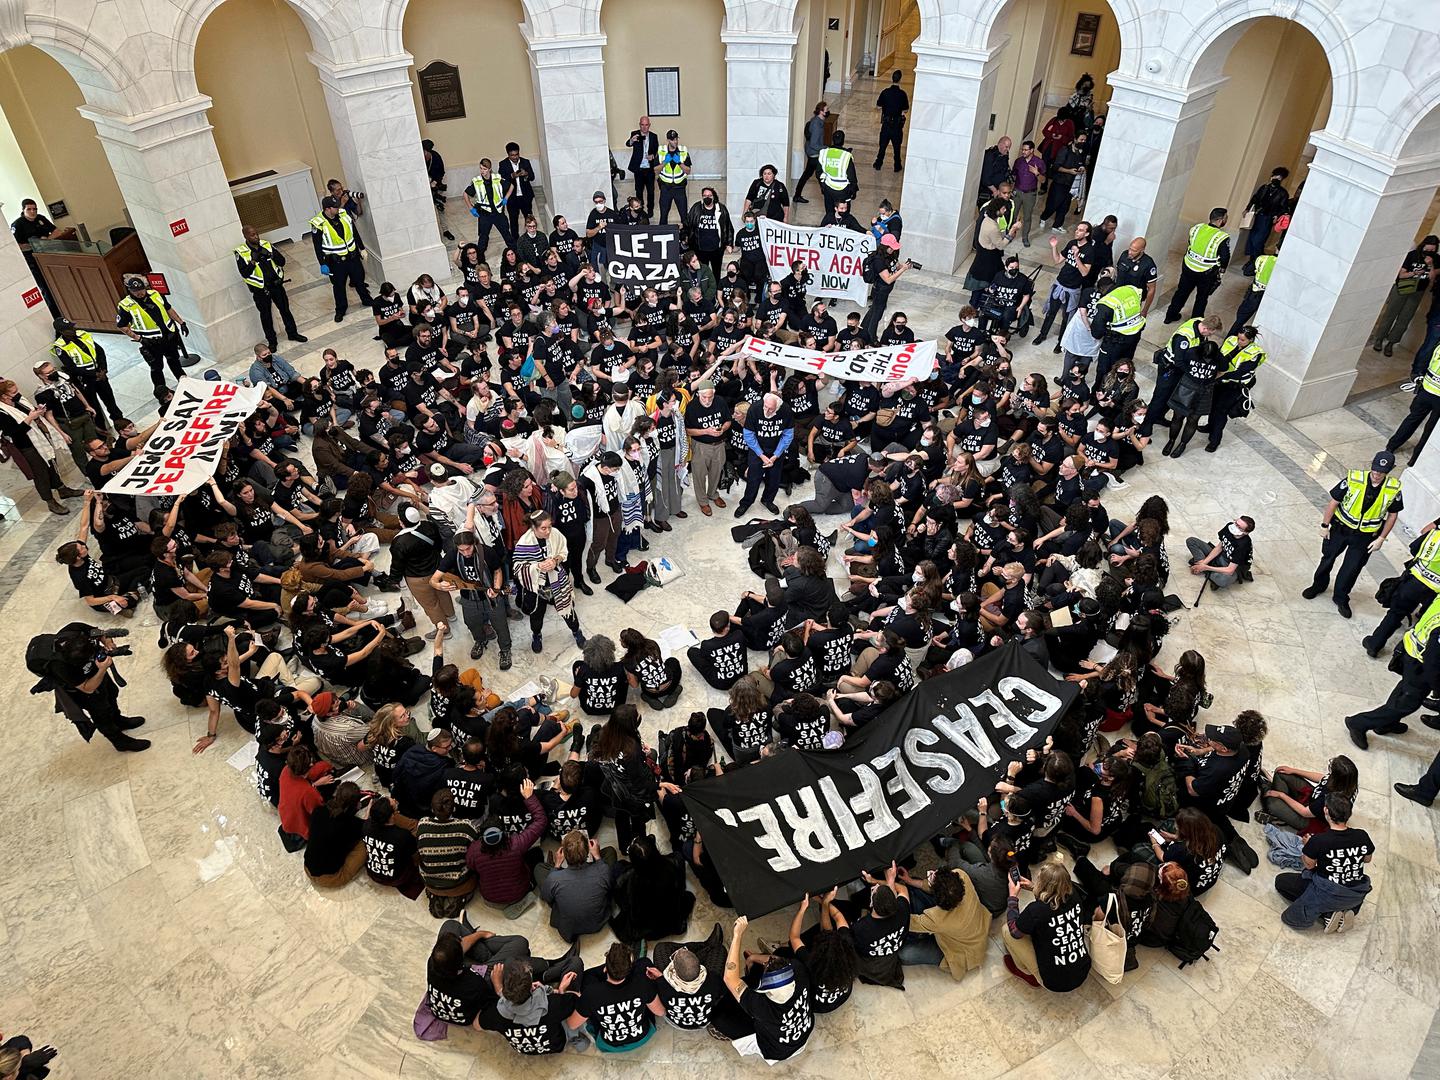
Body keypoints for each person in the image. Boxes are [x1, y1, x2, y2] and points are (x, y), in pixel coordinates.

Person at [1303, 451, 1402, 619]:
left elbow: (1393, 515)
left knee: (1352, 568)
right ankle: (1318, 585)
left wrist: (1381, 538)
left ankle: (1341, 597)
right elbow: (1334, 502)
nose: (1377, 474)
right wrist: (1325, 525)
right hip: (1340, 529)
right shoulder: (1355, 478)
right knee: (1327, 558)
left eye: (1382, 471)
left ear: (1389, 470)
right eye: (1375, 470)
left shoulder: (1393, 488)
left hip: (1365, 535)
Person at [33, 621, 149, 752]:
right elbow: (87, 688)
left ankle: (118, 720)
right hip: (80, 687)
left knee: (111, 692)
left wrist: (108, 644)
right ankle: (119, 741)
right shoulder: (61, 666)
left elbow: (101, 634)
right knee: (100, 713)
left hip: (95, 671)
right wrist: (102, 669)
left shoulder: (74, 629)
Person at [1345, 592, 1440, 749]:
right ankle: (1358, 723)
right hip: (1421, 663)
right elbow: (1433, 660)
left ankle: (1386, 724)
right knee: (1408, 703)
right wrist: (1438, 687)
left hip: (1413, 650)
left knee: (1405, 690)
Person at [718, 915, 815, 1063]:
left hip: (777, 1050)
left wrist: (737, 935)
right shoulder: (799, 971)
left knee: (720, 1017)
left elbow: (730, 979)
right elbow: (779, 961)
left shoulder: (762, 1007)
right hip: (802, 1034)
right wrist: (753, 958)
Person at [1273, 794, 1373, 932]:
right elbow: (1367, 859)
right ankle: (1342, 911)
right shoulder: (1362, 835)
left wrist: (1307, 846)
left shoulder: (1319, 840)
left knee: (1281, 882)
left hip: (1328, 892)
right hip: (1355, 893)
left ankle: (1328, 913)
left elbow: (1309, 865)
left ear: (1326, 811)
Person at [1003, 860, 1092, 990]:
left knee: (1006, 930)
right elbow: (1054, 901)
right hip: (1083, 969)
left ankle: (1027, 974)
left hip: (1054, 981)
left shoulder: (1036, 910)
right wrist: (1034, 888)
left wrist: (1012, 897)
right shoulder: (1075, 896)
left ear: (1042, 884)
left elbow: (1015, 932)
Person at [1364, 519, 1440, 658]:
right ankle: (1406, 654)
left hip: (1415, 582)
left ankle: (1374, 644)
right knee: (1423, 623)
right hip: (1435, 593)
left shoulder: (1436, 535)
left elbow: (1416, 545)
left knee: (1395, 613)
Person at [896, 865, 990, 975]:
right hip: (976, 931)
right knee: (915, 886)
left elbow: (907, 920)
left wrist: (892, 885)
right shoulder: (961, 876)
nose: (932, 872)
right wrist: (910, 881)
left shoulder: (938, 919)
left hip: (961, 952)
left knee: (904, 954)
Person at [537, 830, 617, 943]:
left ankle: (551, 867)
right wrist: (598, 857)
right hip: (597, 923)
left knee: (539, 868)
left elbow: (546, 897)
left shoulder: (554, 878)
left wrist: (556, 866)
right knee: (609, 852)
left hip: (568, 928)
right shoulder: (602, 870)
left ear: (563, 854)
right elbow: (612, 885)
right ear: (588, 852)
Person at [234, 224, 306, 349]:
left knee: (285, 310)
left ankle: (293, 333)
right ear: (245, 236)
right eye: (252, 235)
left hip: (276, 285)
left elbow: (282, 262)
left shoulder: (266, 245)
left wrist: (271, 255)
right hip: (260, 290)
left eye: (256, 233)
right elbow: (244, 273)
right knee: (266, 316)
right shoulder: (241, 253)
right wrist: (252, 262)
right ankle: (272, 342)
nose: (256, 236)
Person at [114, 274, 192, 390]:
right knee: (156, 368)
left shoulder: (155, 295)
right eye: (135, 291)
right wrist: (139, 339)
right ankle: (162, 392)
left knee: (174, 361)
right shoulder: (126, 305)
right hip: (150, 342)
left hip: (168, 335)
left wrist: (181, 323)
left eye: (141, 289)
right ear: (130, 291)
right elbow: (122, 326)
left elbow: (168, 308)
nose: (139, 293)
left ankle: (186, 386)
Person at [309, 196, 372, 323]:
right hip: (336, 262)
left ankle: (366, 299)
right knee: (339, 286)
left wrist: (362, 248)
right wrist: (322, 264)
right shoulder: (318, 223)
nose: (338, 208)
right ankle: (341, 309)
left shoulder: (343, 215)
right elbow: (317, 246)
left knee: (359, 280)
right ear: (327, 209)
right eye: (335, 207)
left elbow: (354, 232)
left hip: (352, 257)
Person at [1371, 236, 1438, 356]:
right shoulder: (1413, 255)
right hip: (1403, 287)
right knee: (1390, 314)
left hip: (1417, 291)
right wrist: (1414, 273)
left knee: (1404, 318)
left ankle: (1391, 342)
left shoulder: (1435, 259)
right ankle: (1379, 338)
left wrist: (1430, 265)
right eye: (1428, 249)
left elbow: (1432, 278)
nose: (1430, 252)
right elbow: (1401, 275)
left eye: (1433, 250)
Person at [50, 318, 119, 433]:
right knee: (94, 408)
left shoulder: (83, 335)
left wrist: (103, 370)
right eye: (69, 329)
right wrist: (93, 374)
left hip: (100, 375)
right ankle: (104, 435)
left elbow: (99, 351)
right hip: (85, 380)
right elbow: (71, 367)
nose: (72, 330)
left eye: (72, 327)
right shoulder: (60, 346)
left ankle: (122, 426)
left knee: (111, 402)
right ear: (62, 332)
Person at [1205, 326, 1267, 451]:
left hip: (1234, 385)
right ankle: (1209, 426)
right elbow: (1221, 356)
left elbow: (1241, 372)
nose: (1239, 341)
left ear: (1250, 340)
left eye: (1242, 340)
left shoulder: (1255, 353)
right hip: (1221, 381)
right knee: (1213, 404)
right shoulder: (1231, 340)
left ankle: (1215, 439)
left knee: (1221, 410)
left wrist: (1221, 376)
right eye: (1239, 338)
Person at [1164, 208, 1231, 322]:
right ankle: (1195, 321)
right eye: (1225, 218)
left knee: (1181, 292)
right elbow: (1225, 257)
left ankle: (1170, 316)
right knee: (1202, 297)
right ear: (1220, 220)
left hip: (1188, 266)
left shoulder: (1196, 228)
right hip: (1207, 272)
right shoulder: (1222, 237)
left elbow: (1191, 243)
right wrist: (1222, 270)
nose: (1226, 220)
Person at [736, 392, 792, 517]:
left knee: (774, 479)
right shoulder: (755, 409)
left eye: (770, 408)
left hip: (776, 450)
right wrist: (761, 455)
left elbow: (788, 435)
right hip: (757, 449)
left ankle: (767, 500)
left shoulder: (786, 411)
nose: (766, 410)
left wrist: (775, 455)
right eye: (765, 406)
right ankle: (746, 502)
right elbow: (749, 435)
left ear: (778, 406)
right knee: (753, 478)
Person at [1385, 338, 1440, 458]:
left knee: (1412, 419)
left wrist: (1418, 376)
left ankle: (1391, 446)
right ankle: (1415, 458)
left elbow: (1426, 360)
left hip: (1426, 390)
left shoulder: (1438, 345)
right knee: (1430, 430)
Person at [1241, 166, 1291, 274]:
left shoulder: (1282, 193)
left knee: (1258, 241)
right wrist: (1247, 208)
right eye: (1275, 176)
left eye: (1279, 177)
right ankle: (1252, 261)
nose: (1276, 178)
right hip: (1258, 216)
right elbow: (1255, 198)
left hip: (1268, 218)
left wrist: (1277, 215)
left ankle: (1256, 262)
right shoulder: (1264, 188)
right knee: (1252, 239)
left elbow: (1283, 207)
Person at [1187, 515, 1254, 590]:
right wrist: (1204, 563)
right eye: (1236, 523)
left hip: (1233, 566)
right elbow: (1219, 547)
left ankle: (1202, 568)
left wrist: (1205, 567)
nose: (1235, 526)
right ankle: (1205, 568)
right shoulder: (1229, 527)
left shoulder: (1243, 545)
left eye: (1239, 527)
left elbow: (1230, 570)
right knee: (1191, 541)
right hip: (1221, 555)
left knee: (1222, 581)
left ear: (1246, 532)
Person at [464, 158, 515, 255]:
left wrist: (506, 198)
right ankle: (480, 258)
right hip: (485, 214)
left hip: (498, 213)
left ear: (490, 169)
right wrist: (471, 208)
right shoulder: (477, 181)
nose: (482, 171)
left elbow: (511, 186)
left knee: (507, 235)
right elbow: (465, 194)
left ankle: (516, 254)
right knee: (483, 238)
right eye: (481, 168)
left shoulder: (497, 178)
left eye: (484, 169)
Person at [683, 188, 734, 281]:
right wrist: (685, 237)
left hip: (716, 249)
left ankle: (716, 293)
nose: (707, 198)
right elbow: (688, 224)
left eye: (709, 196)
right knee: (702, 274)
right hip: (700, 248)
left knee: (716, 273)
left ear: (714, 197)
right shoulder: (696, 208)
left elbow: (728, 227)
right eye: (705, 196)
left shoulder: (721, 209)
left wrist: (729, 243)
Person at [1229, 251, 1275, 336]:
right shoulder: (1284, 268)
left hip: (1254, 294)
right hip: (1270, 298)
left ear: (1276, 248)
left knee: (1240, 320)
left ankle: (1230, 339)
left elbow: (1247, 271)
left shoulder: (1263, 258)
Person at [793, 101, 829, 204]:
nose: (828, 112)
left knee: (813, 175)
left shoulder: (816, 121)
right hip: (814, 154)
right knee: (820, 175)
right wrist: (826, 148)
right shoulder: (817, 125)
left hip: (813, 153)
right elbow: (814, 144)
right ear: (821, 112)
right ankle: (826, 194)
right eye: (826, 110)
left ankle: (797, 194)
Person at [498, 142, 536, 238]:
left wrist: (526, 174)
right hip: (512, 198)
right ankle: (516, 241)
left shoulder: (525, 162)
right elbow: (501, 181)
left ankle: (532, 236)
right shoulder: (503, 164)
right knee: (513, 220)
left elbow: (532, 177)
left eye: (516, 154)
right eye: (512, 155)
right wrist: (512, 176)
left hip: (525, 196)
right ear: (508, 154)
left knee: (529, 218)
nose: (515, 157)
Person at [817, 129, 857, 217]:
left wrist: (822, 185)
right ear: (843, 141)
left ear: (833, 140)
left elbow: (818, 172)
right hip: (843, 191)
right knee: (843, 213)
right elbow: (852, 177)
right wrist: (853, 191)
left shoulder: (824, 153)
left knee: (829, 212)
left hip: (828, 188)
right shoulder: (846, 156)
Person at [1012, 140, 1045, 246]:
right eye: (1023, 149)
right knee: (1013, 214)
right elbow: (1013, 176)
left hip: (1030, 194)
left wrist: (1037, 173)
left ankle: (1025, 237)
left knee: (1027, 216)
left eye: (1026, 150)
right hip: (1017, 191)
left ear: (1032, 150)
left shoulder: (1039, 162)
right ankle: (1010, 234)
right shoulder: (1018, 161)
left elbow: (1043, 180)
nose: (1023, 152)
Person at [874, 70, 908, 171]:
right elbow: (905, 109)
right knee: (897, 147)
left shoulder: (885, 92)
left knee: (883, 146)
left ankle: (878, 163)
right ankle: (897, 166)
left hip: (886, 124)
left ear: (892, 78)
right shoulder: (902, 94)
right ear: (900, 80)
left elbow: (878, 106)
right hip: (897, 125)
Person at [656, 129, 692, 225]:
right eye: (672, 140)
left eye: (676, 139)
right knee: (663, 216)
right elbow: (656, 170)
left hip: (679, 188)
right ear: (668, 140)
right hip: (666, 188)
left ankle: (686, 238)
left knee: (684, 216)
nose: (675, 142)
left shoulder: (683, 150)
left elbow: (688, 171)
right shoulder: (661, 151)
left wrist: (679, 162)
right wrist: (665, 162)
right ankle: (663, 236)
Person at [625, 116, 660, 217]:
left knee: (651, 191)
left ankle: (650, 209)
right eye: (642, 125)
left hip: (649, 169)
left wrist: (653, 155)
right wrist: (632, 140)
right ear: (639, 125)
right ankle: (639, 209)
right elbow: (628, 144)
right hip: (638, 169)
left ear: (649, 125)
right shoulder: (634, 134)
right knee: (639, 191)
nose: (644, 127)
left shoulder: (654, 136)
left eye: (646, 125)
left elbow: (656, 150)